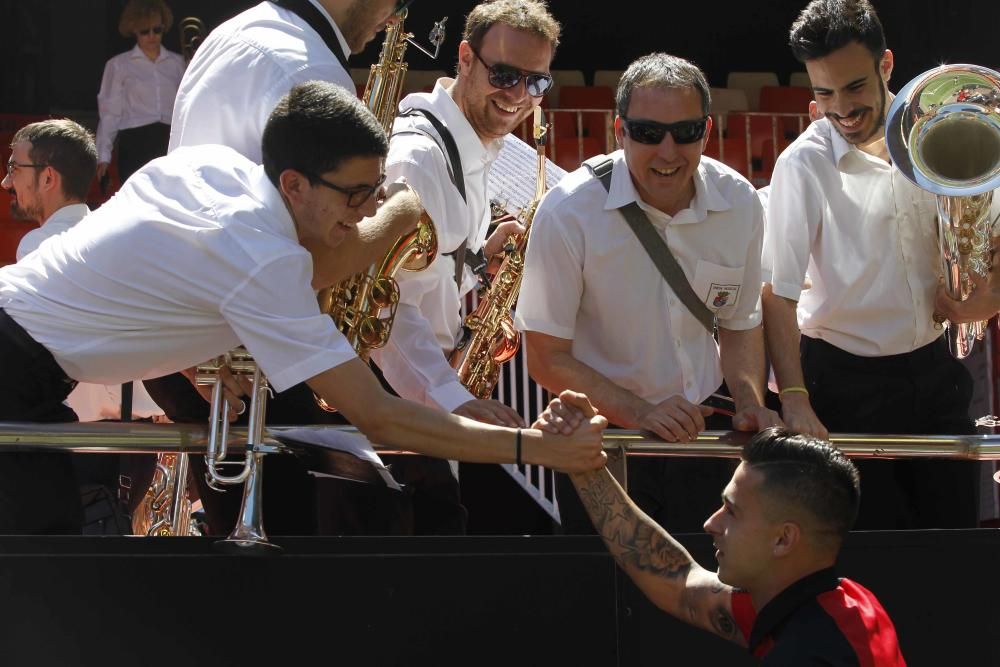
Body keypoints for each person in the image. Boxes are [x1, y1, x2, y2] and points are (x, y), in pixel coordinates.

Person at [0, 81, 607, 535]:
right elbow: (381, 417)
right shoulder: (264, 259)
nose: (367, 209)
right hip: (13, 373)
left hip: (20, 358)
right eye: (356, 194)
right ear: (293, 184)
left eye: (376, 191)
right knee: (45, 573)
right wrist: (534, 448)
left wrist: (198, 355)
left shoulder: (206, 166)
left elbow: (139, 268)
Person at [515, 52, 781, 533]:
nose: (667, 151)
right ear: (619, 131)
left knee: (709, 592)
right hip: (602, 444)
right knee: (607, 596)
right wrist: (642, 413)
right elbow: (545, 357)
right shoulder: (567, 212)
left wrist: (747, 402)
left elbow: (741, 324)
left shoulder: (740, 202)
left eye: (685, 133)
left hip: (702, 438)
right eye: (647, 132)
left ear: (706, 132)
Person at [762, 0, 1000, 528]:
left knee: (950, 551)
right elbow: (776, 294)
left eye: (853, 87)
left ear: (887, 66)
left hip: (936, 375)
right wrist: (796, 400)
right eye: (824, 92)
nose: (840, 108)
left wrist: (988, 298)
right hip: (841, 385)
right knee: (876, 562)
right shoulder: (801, 165)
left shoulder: (944, 133)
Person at [368, 0, 560, 531]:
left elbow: (430, 265)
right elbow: (384, 310)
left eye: (536, 83)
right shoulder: (419, 158)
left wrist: (477, 258)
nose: (519, 96)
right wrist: (452, 400)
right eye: (504, 74)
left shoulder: (473, 144)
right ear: (465, 59)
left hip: (418, 397)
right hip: (397, 406)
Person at [544, 392, 906, 665]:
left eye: (731, 512)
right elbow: (679, 583)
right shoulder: (845, 601)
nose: (710, 523)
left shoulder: (806, 653)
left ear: (783, 539)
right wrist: (584, 464)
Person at [96, 0, 185, 183]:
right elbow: (110, 113)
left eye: (157, 30)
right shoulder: (119, 65)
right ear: (134, 30)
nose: (151, 36)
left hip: (168, 140)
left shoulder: (178, 64)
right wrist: (103, 155)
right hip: (135, 141)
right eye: (145, 31)